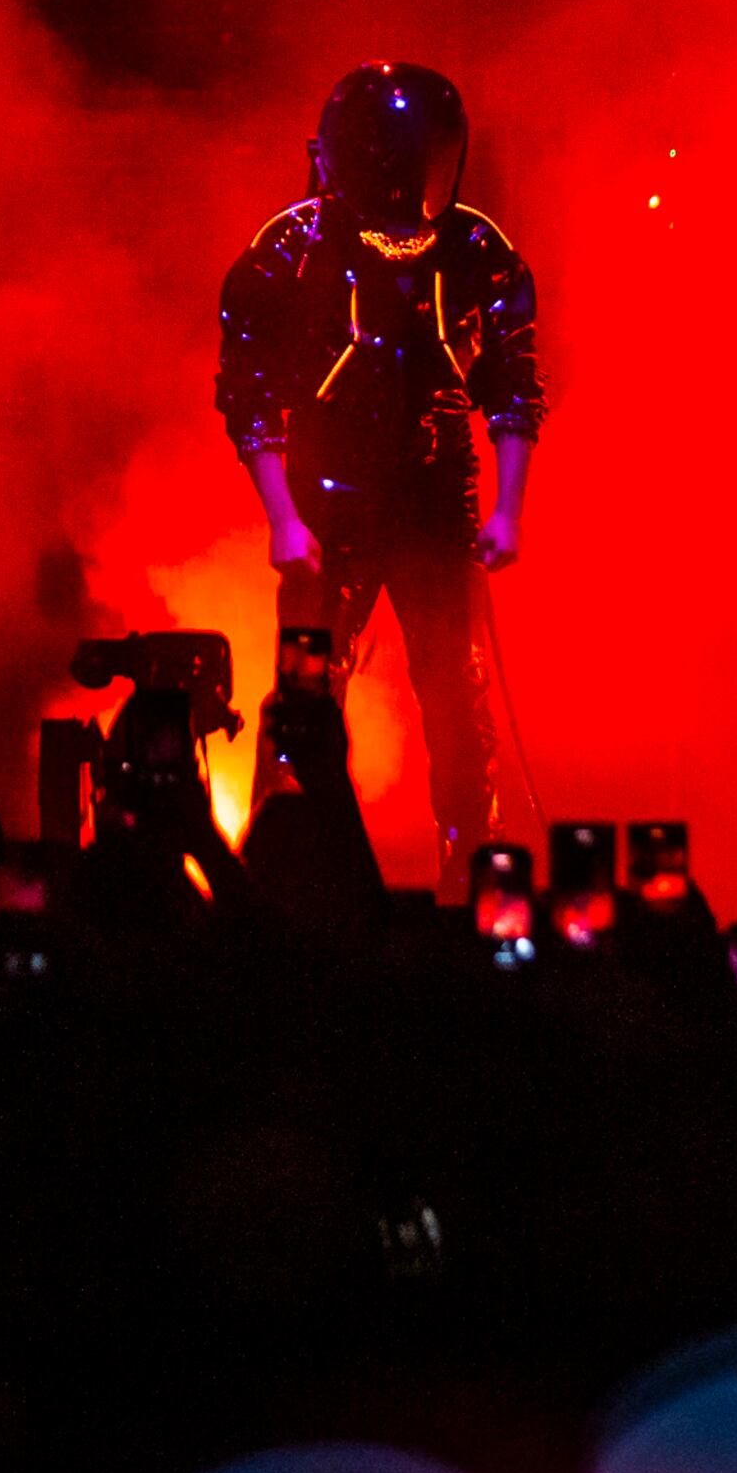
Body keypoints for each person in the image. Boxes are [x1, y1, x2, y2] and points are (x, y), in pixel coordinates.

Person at [216, 62, 548, 893]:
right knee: (303, 698)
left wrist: (508, 507)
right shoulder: (285, 254)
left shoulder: (478, 250)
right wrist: (284, 518)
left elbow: (513, 385)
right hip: (328, 508)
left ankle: (475, 874)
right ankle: (284, 871)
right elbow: (247, 396)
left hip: (439, 504)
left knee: (461, 701)